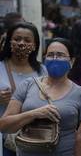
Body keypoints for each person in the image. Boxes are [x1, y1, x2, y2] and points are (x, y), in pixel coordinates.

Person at [0, 38, 81, 155]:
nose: (55, 58)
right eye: (50, 55)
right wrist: (34, 114)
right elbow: (4, 125)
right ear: (45, 59)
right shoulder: (28, 85)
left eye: (60, 55)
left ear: (72, 61)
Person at [0, 22, 47, 156]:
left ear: (34, 45)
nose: (21, 44)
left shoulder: (43, 71)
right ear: (9, 42)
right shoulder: (1, 67)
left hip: (36, 138)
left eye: (27, 40)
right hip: (4, 139)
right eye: (17, 39)